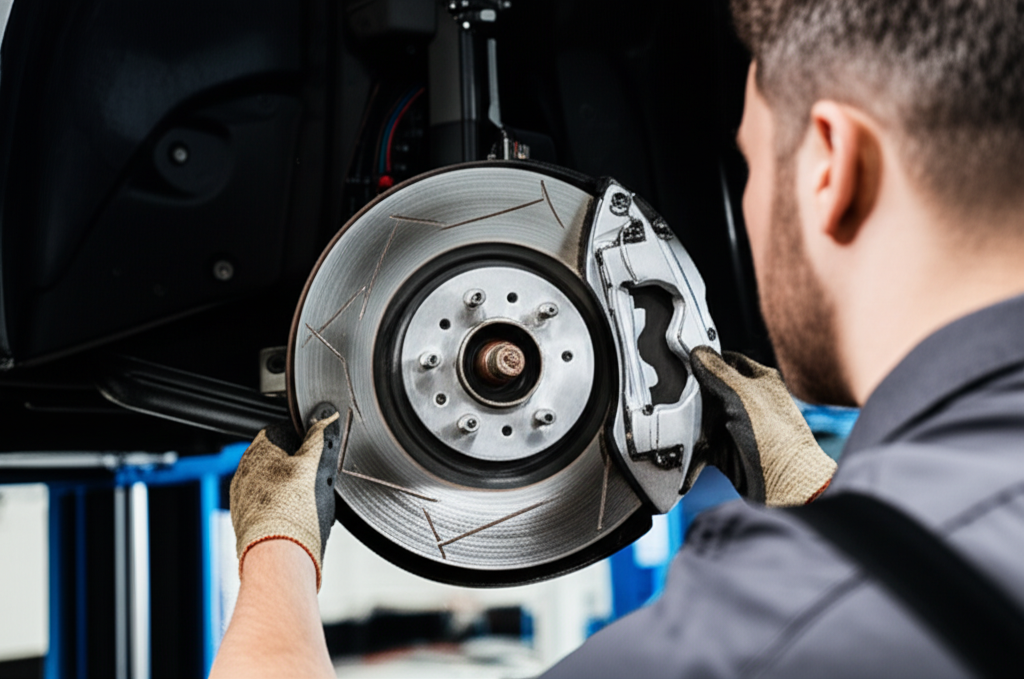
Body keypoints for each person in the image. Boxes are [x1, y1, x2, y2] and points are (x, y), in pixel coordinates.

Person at [211, 0, 1024, 676]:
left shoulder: (770, 633)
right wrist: (825, 502)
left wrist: (276, 550)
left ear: (830, 168)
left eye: (750, 164)